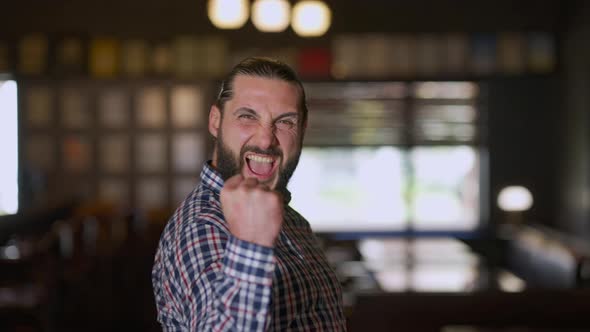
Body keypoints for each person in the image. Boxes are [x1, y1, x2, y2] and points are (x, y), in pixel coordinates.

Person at [152, 57, 346, 331]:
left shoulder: (291, 219)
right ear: (215, 121)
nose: (266, 139)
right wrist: (251, 244)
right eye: (247, 116)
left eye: (285, 122)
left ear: (302, 130)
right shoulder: (203, 225)